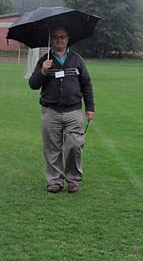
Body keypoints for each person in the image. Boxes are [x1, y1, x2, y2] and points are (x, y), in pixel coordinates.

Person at [28, 26, 95, 194]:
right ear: (50, 40)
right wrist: (43, 71)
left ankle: (73, 179)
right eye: (55, 37)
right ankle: (55, 181)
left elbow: (86, 84)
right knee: (52, 148)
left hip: (73, 111)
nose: (59, 40)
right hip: (50, 111)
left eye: (62, 37)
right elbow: (33, 84)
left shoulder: (77, 59)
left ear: (67, 39)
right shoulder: (45, 60)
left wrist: (90, 107)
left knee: (74, 145)